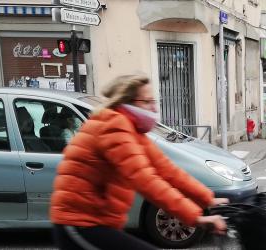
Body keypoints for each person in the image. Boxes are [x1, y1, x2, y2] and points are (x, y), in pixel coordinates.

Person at [50, 75, 228, 250]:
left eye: (154, 101)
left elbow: (168, 170)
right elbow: (145, 179)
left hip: (98, 222)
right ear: (128, 102)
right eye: (147, 102)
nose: (154, 108)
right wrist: (195, 218)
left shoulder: (133, 132)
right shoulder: (113, 125)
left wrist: (207, 199)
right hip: (79, 223)